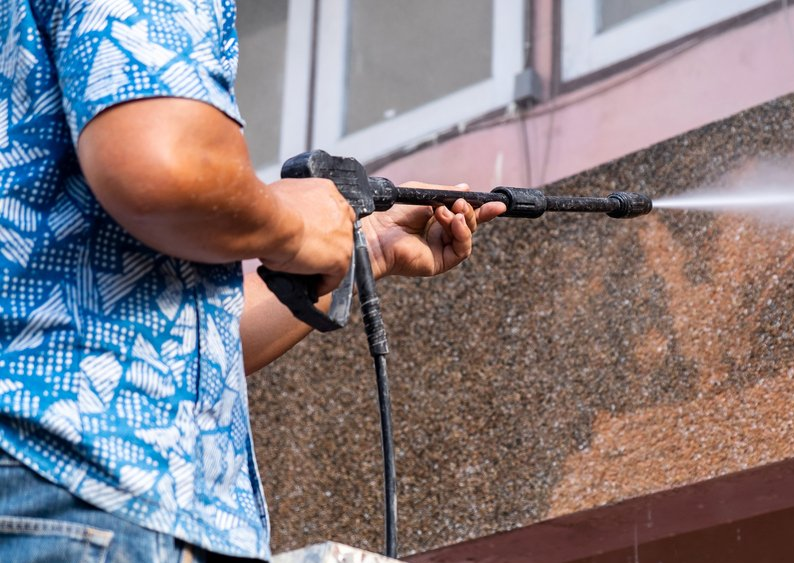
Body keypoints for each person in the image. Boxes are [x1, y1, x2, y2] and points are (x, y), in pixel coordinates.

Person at [0, 1, 506, 561]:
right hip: (85, 496)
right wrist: (293, 225)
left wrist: (366, 247)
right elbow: (158, 169)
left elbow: (179, 345)